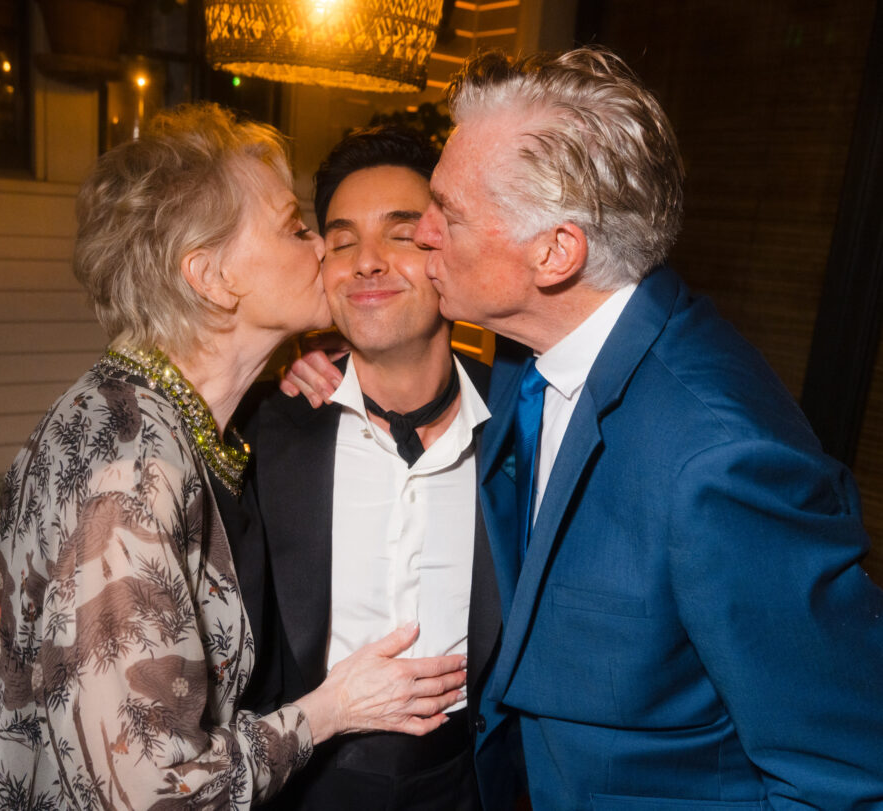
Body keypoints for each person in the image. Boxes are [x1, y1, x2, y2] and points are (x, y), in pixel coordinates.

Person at [283, 48, 883, 809]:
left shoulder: (722, 458)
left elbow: (849, 776)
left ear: (557, 252)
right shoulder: (528, 357)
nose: (421, 232)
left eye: (449, 214)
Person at [0, 103, 466, 811]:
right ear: (213, 278)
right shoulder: (127, 466)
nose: (327, 249)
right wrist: (332, 709)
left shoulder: (187, 425)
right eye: (297, 227)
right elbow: (153, 795)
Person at [240, 126, 514, 811]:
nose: (366, 262)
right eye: (340, 240)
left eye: (399, 234)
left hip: (470, 780)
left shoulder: (524, 422)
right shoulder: (268, 427)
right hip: (304, 783)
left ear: (445, 249)